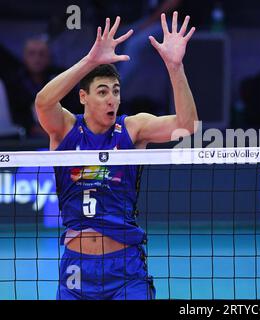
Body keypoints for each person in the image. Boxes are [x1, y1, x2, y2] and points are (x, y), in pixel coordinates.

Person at [34, 12, 198, 300]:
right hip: (77, 270)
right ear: (83, 97)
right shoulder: (65, 129)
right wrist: (90, 61)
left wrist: (175, 66)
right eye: (102, 91)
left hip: (126, 270)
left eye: (116, 91)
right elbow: (43, 102)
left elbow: (186, 125)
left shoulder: (132, 129)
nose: (112, 98)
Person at [7, 35, 80, 138]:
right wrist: (31, 127)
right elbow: (14, 114)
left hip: (62, 132)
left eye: (42, 54)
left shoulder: (61, 77)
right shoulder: (14, 81)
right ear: (24, 57)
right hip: (24, 136)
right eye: (32, 53)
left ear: (49, 57)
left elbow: (74, 108)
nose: (37, 58)